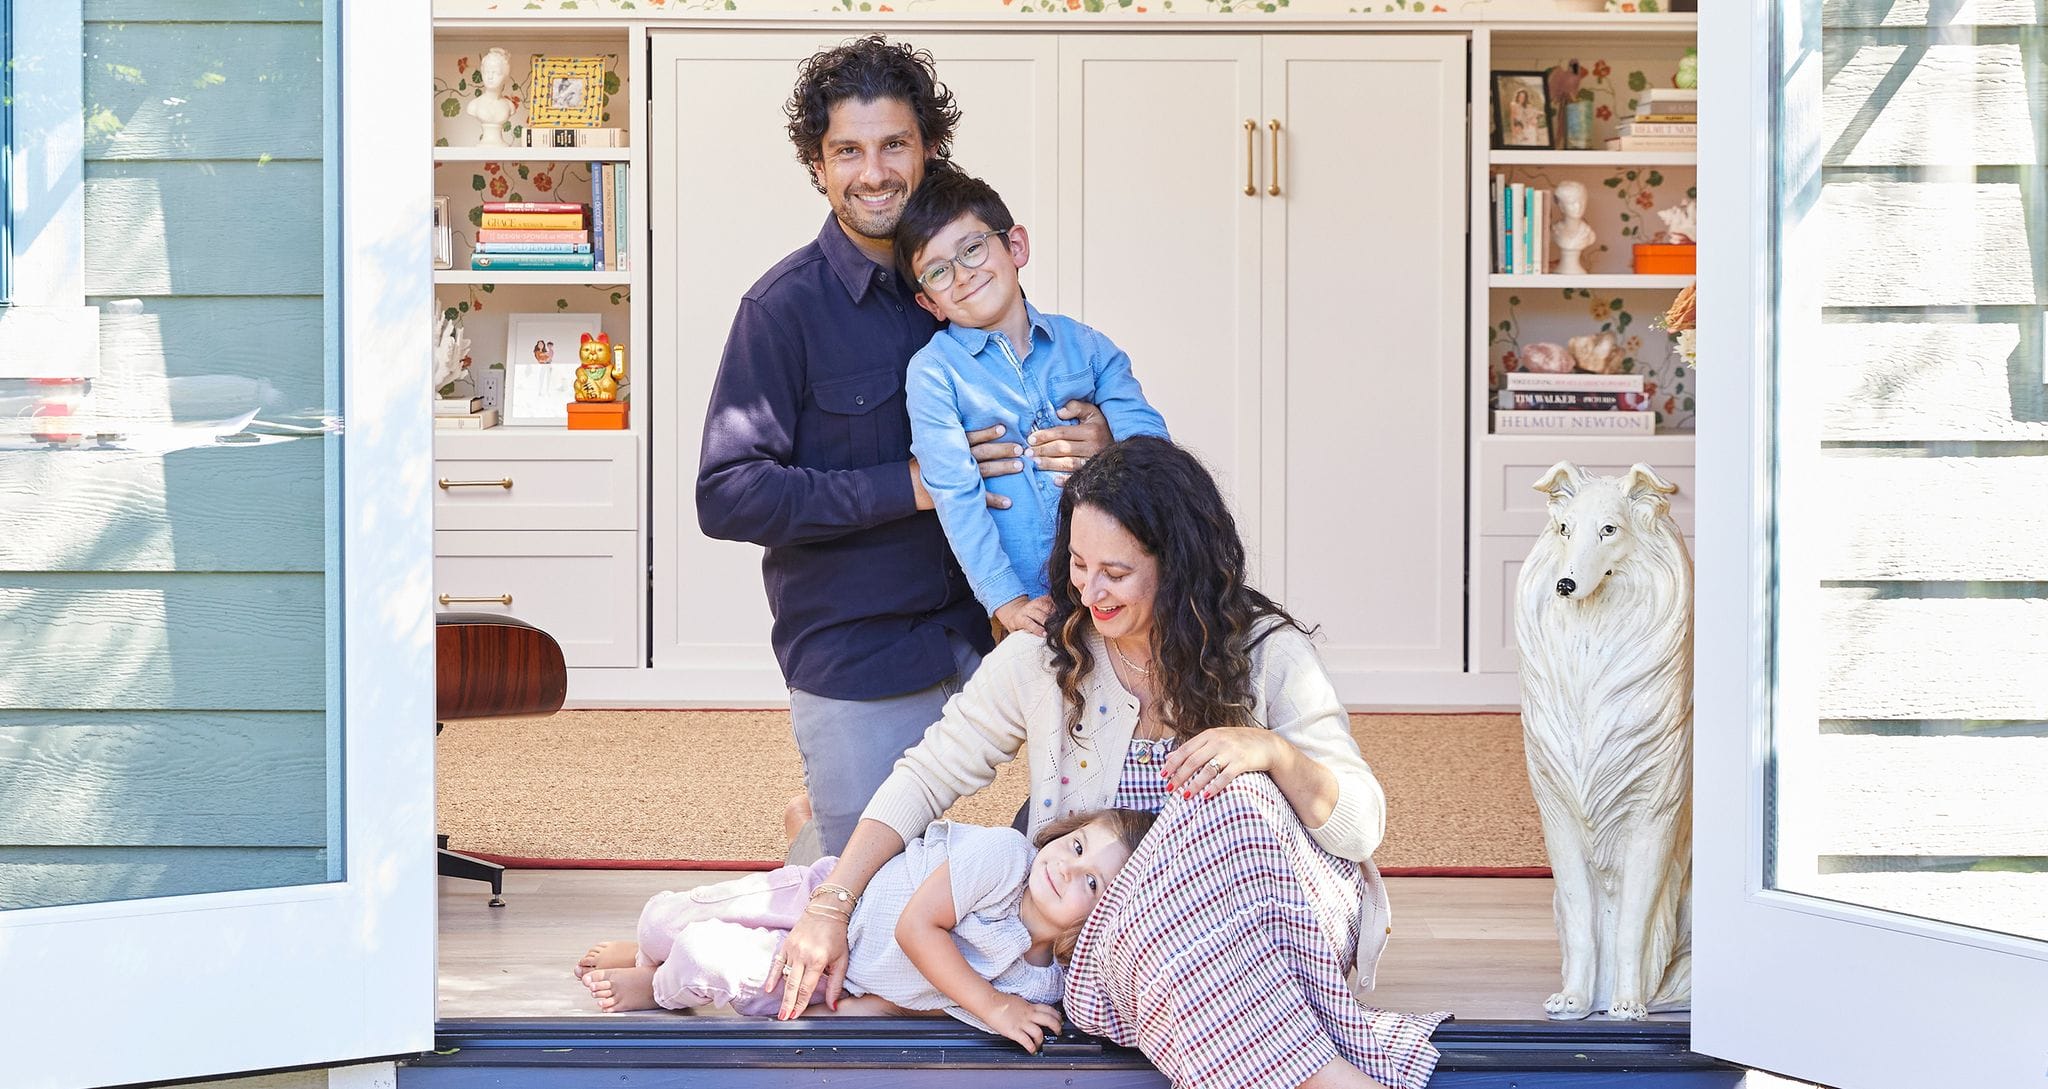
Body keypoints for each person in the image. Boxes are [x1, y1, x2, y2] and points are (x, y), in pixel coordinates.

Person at [770, 436, 1449, 1089]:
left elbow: (1361, 828)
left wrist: (1270, 752)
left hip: (1276, 929)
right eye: (1077, 565)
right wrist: (832, 903)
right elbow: (927, 773)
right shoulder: (1048, 654)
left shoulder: (1266, 653)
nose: (1091, 591)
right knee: (1146, 914)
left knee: (1232, 800)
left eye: (1116, 572)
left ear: (1177, 564)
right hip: (1123, 957)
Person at [695, 36, 1114, 862]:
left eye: (893, 144)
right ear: (819, 165)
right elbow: (728, 493)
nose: (874, 171)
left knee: (1098, 835)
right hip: (864, 641)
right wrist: (914, 485)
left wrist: (1103, 441)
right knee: (865, 909)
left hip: (1007, 618)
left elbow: (1061, 392)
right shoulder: (781, 311)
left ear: (928, 148)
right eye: (847, 150)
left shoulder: (967, 279)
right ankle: (820, 828)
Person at [574, 808, 1155, 1052]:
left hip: (842, 982)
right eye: (1077, 845)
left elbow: (936, 1003)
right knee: (661, 919)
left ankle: (657, 985)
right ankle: (651, 950)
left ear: (1105, 915)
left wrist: (859, 1009)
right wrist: (995, 1008)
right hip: (827, 900)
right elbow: (917, 928)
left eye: (1094, 883)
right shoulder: (1006, 858)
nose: (1069, 867)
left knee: (704, 960)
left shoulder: (1039, 989)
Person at [894, 166, 1169, 638]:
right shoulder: (934, 372)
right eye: (938, 272)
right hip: (1028, 603)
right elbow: (955, 495)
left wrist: (1110, 444)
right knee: (1043, 704)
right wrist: (1006, 600)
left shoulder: (1087, 346)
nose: (962, 275)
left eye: (972, 248)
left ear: (1015, 246)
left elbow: (1154, 452)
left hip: (1123, 588)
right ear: (930, 304)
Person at [467, 47, 513, 147]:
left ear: (505, 76)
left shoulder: (510, 106)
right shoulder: (474, 105)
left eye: (495, 73)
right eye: (486, 72)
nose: (490, 77)